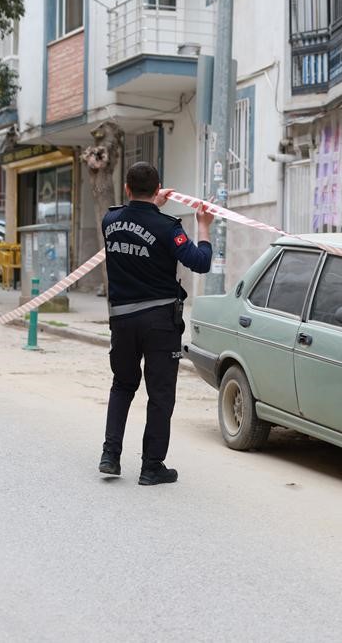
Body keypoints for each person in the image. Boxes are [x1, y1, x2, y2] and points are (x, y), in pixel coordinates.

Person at [99, 162, 214, 486]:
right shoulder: (168, 227)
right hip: (159, 323)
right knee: (160, 394)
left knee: (122, 385)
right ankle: (151, 467)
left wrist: (150, 205)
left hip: (121, 320)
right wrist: (204, 227)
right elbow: (200, 262)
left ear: (126, 189)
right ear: (158, 187)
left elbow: (133, 219)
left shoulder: (110, 221)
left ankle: (110, 456)